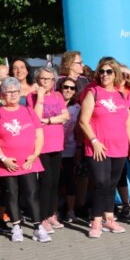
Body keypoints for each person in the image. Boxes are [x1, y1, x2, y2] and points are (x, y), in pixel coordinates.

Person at [78, 57, 130, 239]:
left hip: (119, 146)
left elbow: (127, 123)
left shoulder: (121, 95)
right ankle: (96, 221)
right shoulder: (93, 92)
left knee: (112, 184)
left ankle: (109, 218)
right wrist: (94, 141)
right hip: (99, 147)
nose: (104, 75)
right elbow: (83, 121)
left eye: (109, 72)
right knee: (101, 183)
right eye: (102, 71)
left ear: (115, 75)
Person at [0, 77, 46, 243]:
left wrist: (35, 155)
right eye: (8, 92)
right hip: (7, 163)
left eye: (15, 92)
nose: (12, 95)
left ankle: (37, 227)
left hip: (29, 161)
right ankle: (16, 226)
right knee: (11, 194)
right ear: (3, 94)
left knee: (32, 193)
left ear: (20, 93)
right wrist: (3, 158)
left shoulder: (28, 111)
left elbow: (39, 134)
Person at [32, 66, 69, 234]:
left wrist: (47, 121)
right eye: (42, 79)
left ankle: (51, 213)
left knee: (55, 181)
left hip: (57, 142)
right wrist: (40, 96)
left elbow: (65, 116)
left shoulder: (58, 95)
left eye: (48, 79)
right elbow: (35, 117)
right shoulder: (32, 96)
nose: (45, 82)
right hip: (42, 145)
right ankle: (43, 217)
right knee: (45, 182)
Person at [58, 77, 83, 226]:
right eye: (66, 87)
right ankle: (54, 211)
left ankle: (70, 211)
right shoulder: (53, 105)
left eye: (72, 88)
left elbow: (78, 130)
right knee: (55, 182)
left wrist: (79, 148)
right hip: (53, 149)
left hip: (70, 149)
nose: (68, 90)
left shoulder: (77, 108)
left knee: (69, 181)